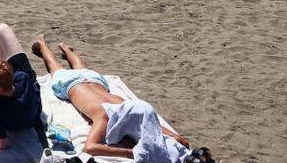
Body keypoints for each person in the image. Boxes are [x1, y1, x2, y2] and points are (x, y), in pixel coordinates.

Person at [31, 36, 190, 158]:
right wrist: (129, 152)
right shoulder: (105, 116)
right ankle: (45, 44)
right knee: (58, 67)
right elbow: (90, 148)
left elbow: (181, 140)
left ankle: (62, 48)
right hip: (75, 83)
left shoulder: (135, 113)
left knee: (78, 68)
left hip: (89, 80)